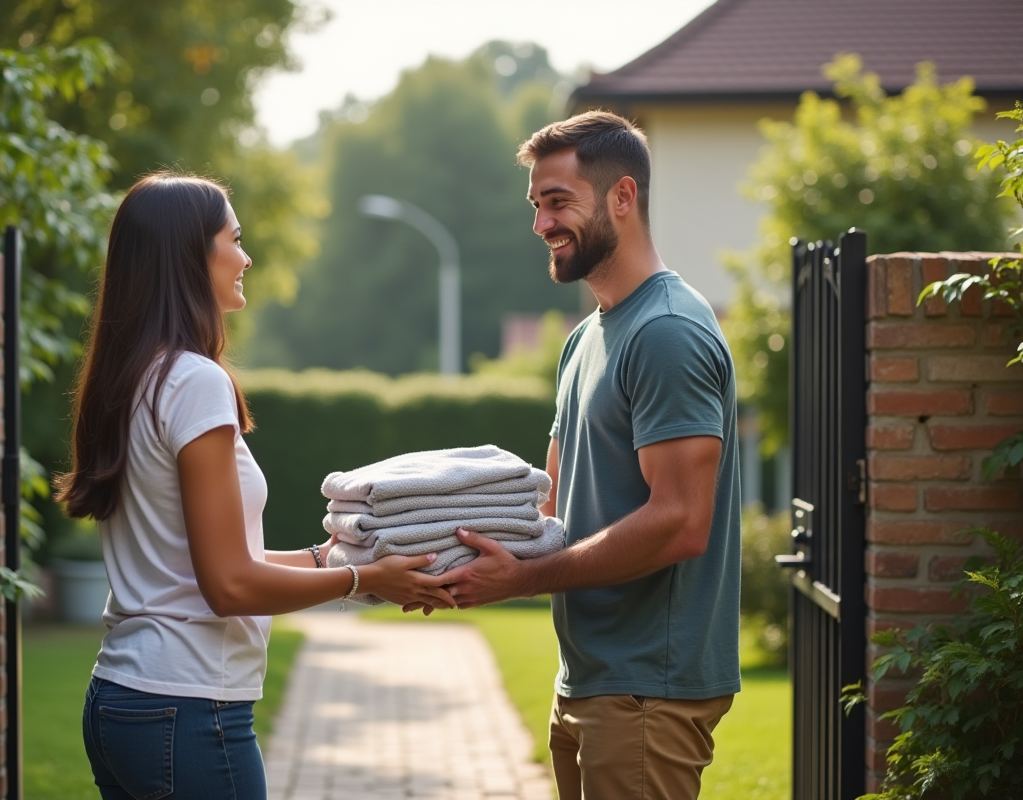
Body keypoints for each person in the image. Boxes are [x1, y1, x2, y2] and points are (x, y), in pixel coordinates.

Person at [54, 172, 456, 800]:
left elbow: (198, 562)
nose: (246, 258)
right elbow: (229, 586)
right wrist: (361, 579)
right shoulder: (194, 381)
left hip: (123, 700)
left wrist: (325, 558)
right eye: (235, 240)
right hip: (188, 707)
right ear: (190, 255)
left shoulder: (133, 378)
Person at [431, 111, 742, 799]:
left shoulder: (666, 332)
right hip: (592, 680)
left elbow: (681, 522)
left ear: (622, 197)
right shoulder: (587, 338)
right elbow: (550, 502)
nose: (541, 223)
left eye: (558, 202)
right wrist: (439, 559)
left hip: (647, 690)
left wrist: (519, 581)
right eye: (536, 205)